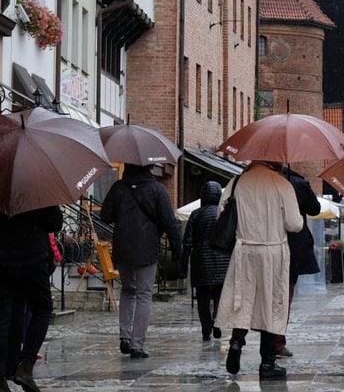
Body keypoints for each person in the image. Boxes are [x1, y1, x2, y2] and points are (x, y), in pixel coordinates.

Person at [214, 161, 302, 380]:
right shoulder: (282, 184)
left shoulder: (237, 182)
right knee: (271, 306)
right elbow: (294, 224)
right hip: (273, 251)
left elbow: (221, 215)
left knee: (242, 301)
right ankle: (267, 364)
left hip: (244, 250)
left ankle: (236, 343)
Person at [0, 205, 63, 392]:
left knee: (1, 316)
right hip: (30, 257)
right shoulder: (34, 183)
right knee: (42, 307)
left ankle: (0, 377)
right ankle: (25, 365)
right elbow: (54, 222)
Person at [99, 163, 182, 359]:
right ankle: (137, 344)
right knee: (144, 294)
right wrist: (177, 248)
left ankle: (125, 337)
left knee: (128, 290)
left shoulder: (119, 187)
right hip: (147, 248)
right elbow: (169, 222)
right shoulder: (157, 189)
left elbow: (104, 216)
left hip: (123, 249)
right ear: (149, 166)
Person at [276, 167, 321, 358]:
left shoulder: (263, 181)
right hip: (294, 246)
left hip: (268, 241)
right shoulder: (299, 184)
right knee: (285, 295)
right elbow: (315, 209)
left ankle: (270, 340)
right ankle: (277, 342)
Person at [179, 181, 230, 341]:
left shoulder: (196, 214)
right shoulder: (224, 213)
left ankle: (206, 328)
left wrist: (182, 265)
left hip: (200, 262)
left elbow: (187, 241)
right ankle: (217, 320)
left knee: (202, 298)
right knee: (219, 296)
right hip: (222, 261)